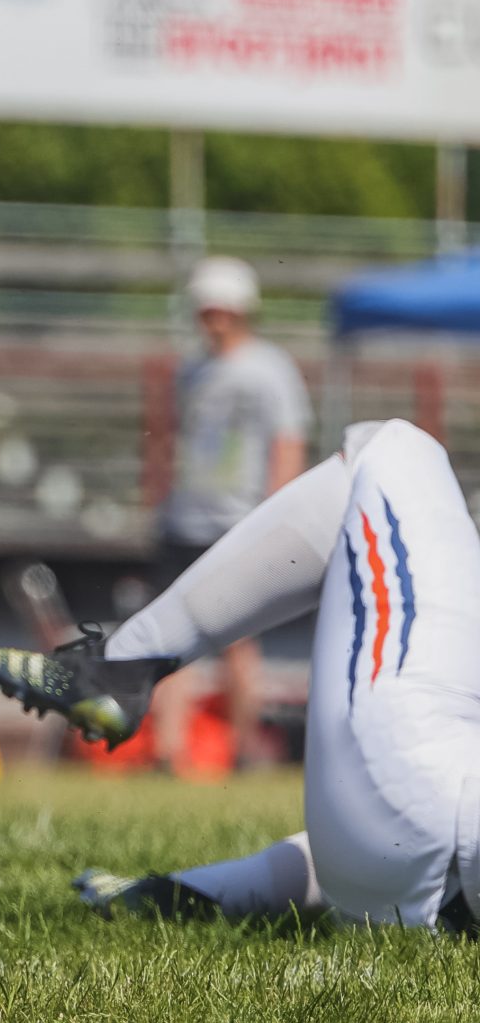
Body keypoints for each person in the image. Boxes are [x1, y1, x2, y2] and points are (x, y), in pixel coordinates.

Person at [0, 420, 480, 931]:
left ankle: (120, 665)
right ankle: (186, 893)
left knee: (395, 452)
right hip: (424, 882)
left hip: (419, 825)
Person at [142, 255, 310, 771]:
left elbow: (288, 442)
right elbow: (175, 440)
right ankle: (167, 753)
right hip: (185, 521)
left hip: (237, 523)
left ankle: (243, 750)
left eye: (219, 308)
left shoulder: (269, 368)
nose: (209, 318)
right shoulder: (191, 370)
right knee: (171, 644)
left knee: (237, 643)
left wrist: (271, 516)